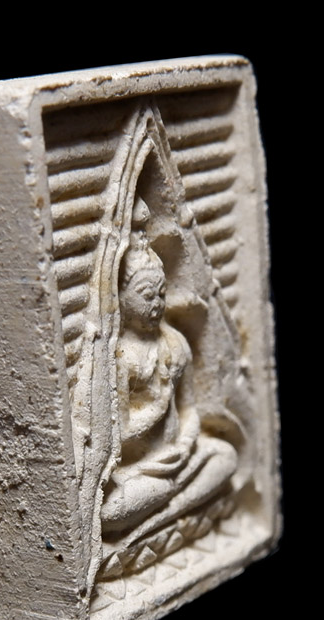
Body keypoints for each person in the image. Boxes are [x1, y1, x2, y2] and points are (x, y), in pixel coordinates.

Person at [101, 200, 238, 538]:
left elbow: (189, 408)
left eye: (161, 293)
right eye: (146, 294)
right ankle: (173, 513)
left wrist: (186, 443)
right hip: (141, 469)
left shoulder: (174, 343)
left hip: (178, 458)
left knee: (225, 456)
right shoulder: (120, 358)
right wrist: (160, 407)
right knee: (111, 513)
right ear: (120, 298)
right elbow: (119, 435)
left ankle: (162, 518)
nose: (157, 303)